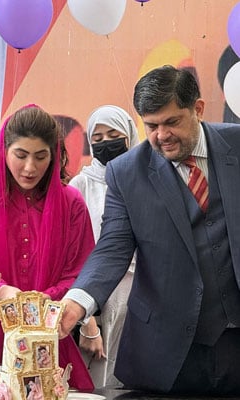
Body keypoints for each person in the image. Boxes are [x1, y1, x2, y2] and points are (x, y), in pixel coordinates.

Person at [59, 65, 240, 395]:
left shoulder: (237, 147)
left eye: (172, 122)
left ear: (197, 109)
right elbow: (112, 248)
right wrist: (78, 301)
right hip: (166, 351)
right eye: (151, 125)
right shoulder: (126, 173)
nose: (161, 135)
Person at [0, 105, 95, 390]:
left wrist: (42, 301)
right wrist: (2, 290)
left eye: (40, 157)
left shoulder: (72, 203)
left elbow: (81, 271)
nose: (30, 168)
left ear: (54, 156)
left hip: (50, 334)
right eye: (21, 155)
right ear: (4, 152)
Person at [68, 105, 139, 388]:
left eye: (113, 134)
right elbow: (74, 252)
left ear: (130, 135)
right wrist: (88, 323)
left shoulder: (144, 177)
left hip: (138, 290)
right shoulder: (81, 185)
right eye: (97, 138)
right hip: (96, 293)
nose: (105, 143)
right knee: (96, 374)